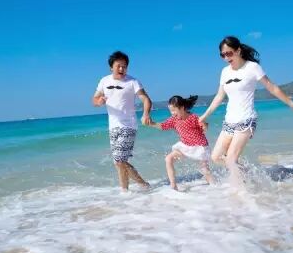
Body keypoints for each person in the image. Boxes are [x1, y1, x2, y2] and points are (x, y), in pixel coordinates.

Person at [198, 36, 293, 188]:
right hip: (229, 121)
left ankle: (241, 192)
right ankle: (250, 175)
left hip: (246, 120)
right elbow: (219, 96)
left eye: (229, 53)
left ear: (238, 50)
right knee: (216, 157)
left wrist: (292, 104)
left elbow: (272, 87)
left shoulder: (252, 67)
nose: (226, 58)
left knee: (231, 159)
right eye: (223, 55)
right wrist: (203, 116)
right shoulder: (225, 72)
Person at [92, 51, 152, 192]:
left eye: (124, 66)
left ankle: (140, 185)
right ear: (111, 67)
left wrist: (146, 114)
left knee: (120, 161)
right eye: (118, 66)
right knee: (118, 162)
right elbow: (94, 99)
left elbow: (146, 99)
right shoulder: (104, 81)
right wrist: (99, 101)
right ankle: (128, 190)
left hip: (128, 125)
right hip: (113, 126)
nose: (121, 69)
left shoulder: (132, 82)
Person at [148, 95, 216, 191]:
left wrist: (205, 125)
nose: (172, 113)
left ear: (182, 108)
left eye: (174, 110)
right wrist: (151, 123)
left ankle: (215, 187)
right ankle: (173, 186)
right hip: (185, 146)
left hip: (199, 147)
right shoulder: (174, 120)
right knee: (168, 159)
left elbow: (204, 125)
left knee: (205, 170)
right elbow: (163, 126)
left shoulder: (193, 118)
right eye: (170, 111)